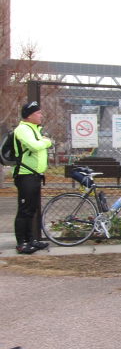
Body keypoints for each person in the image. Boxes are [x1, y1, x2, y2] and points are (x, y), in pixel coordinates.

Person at [13, 101, 52, 254]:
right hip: (25, 175)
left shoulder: (34, 129)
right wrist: (47, 141)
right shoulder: (22, 129)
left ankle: (31, 240)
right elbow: (34, 146)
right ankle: (21, 243)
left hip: (35, 175)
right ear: (29, 115)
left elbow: (37, 144)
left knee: (32, 209)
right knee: (24, 210)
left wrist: (41, 141)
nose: (41, 115)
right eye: (38, 113)